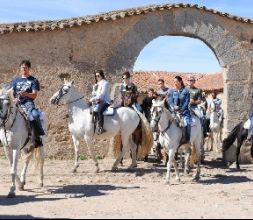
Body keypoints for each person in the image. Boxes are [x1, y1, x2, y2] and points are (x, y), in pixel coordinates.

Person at [10, 60, 45, 147]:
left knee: (35, 115)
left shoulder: (33, 80)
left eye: (25, 67)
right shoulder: (16, 80)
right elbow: (11, 92)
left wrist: (25, 93)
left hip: (27, 102)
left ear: (29, 68)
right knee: (3, 113)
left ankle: (37, 138)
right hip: (16, 102)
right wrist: (14, 99)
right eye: (22, 67)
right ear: (20, 68)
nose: (23, 69)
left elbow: (34, 96)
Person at [168, 76, 191, 144]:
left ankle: (187, 140)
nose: (174, 83)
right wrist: (173, 107)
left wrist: (181, 110)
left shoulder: (186, 91)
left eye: (176, 82)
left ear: (180, 81)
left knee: (188, 124)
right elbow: (170, 101)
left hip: (184, 112)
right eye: (174, 82)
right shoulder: (172, 91)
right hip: (174, 112)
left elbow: (187, 102)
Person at [90, 70, 111, 135]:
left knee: (99, 111)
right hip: (97, 101)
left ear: (102, 75)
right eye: (96, 76)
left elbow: (102, 94)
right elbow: (94, 94)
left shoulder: (105, 83)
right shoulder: (97, 84)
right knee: (88, 107)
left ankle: (101, 128)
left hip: (105, 101)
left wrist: (94, 99)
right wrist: (94, 89)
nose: (97, 77)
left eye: (98, 75)